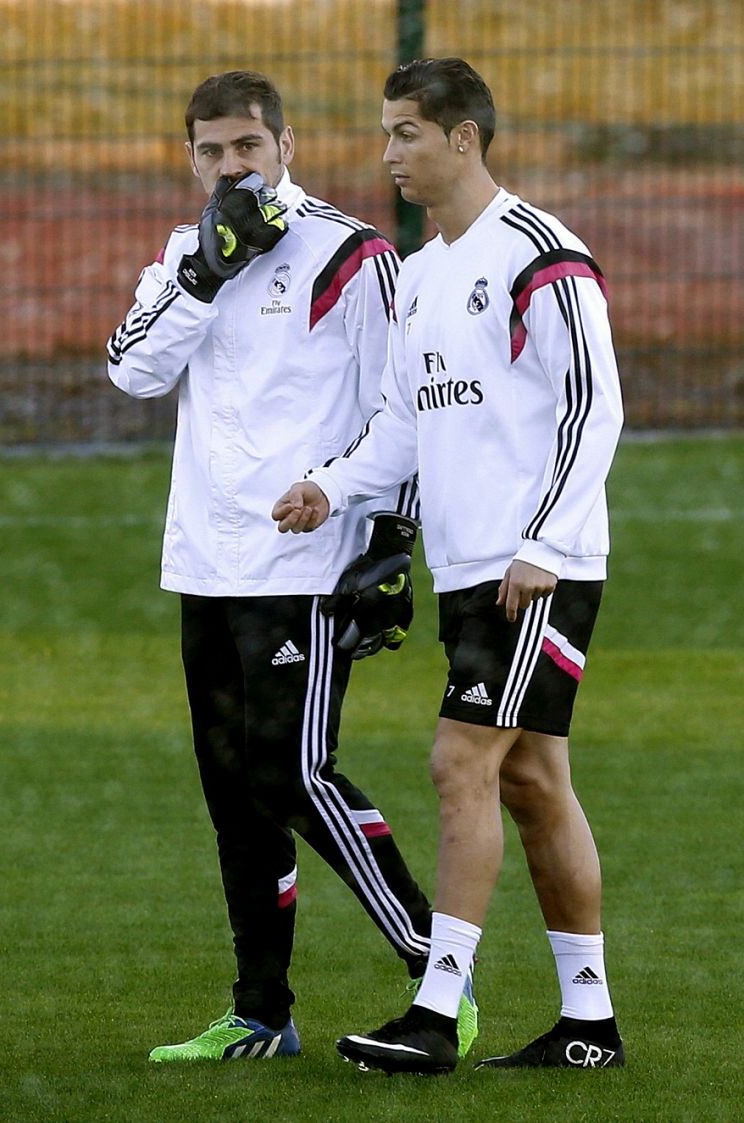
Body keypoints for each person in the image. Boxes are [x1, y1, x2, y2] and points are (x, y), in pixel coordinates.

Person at [107, 70, 477, 1063]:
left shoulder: (352, 256)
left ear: (286, 146)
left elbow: (399, 409)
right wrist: (202, 278)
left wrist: (392, 548)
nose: (230, 166)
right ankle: (261, 1012)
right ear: (190, 157)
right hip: (203, 561)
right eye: (211, 151)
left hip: (305, 562)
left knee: (293, 772)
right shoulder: (185, 253)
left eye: (247, 148)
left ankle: (437, 971)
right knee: (234, 791)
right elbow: (131, 368)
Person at [273, 56, 625, 1075]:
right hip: (471, 568)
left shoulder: (538, 255)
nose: (386, 154)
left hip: (534, 570)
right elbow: (400, 425)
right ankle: (588, 1023)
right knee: (528, 779)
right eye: (386, 134)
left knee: (456, 761)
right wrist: (330, 488)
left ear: (462, 136)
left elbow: (590, 406)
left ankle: (433, 1010)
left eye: (403, 133)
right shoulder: (419, 273)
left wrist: (543, 545)